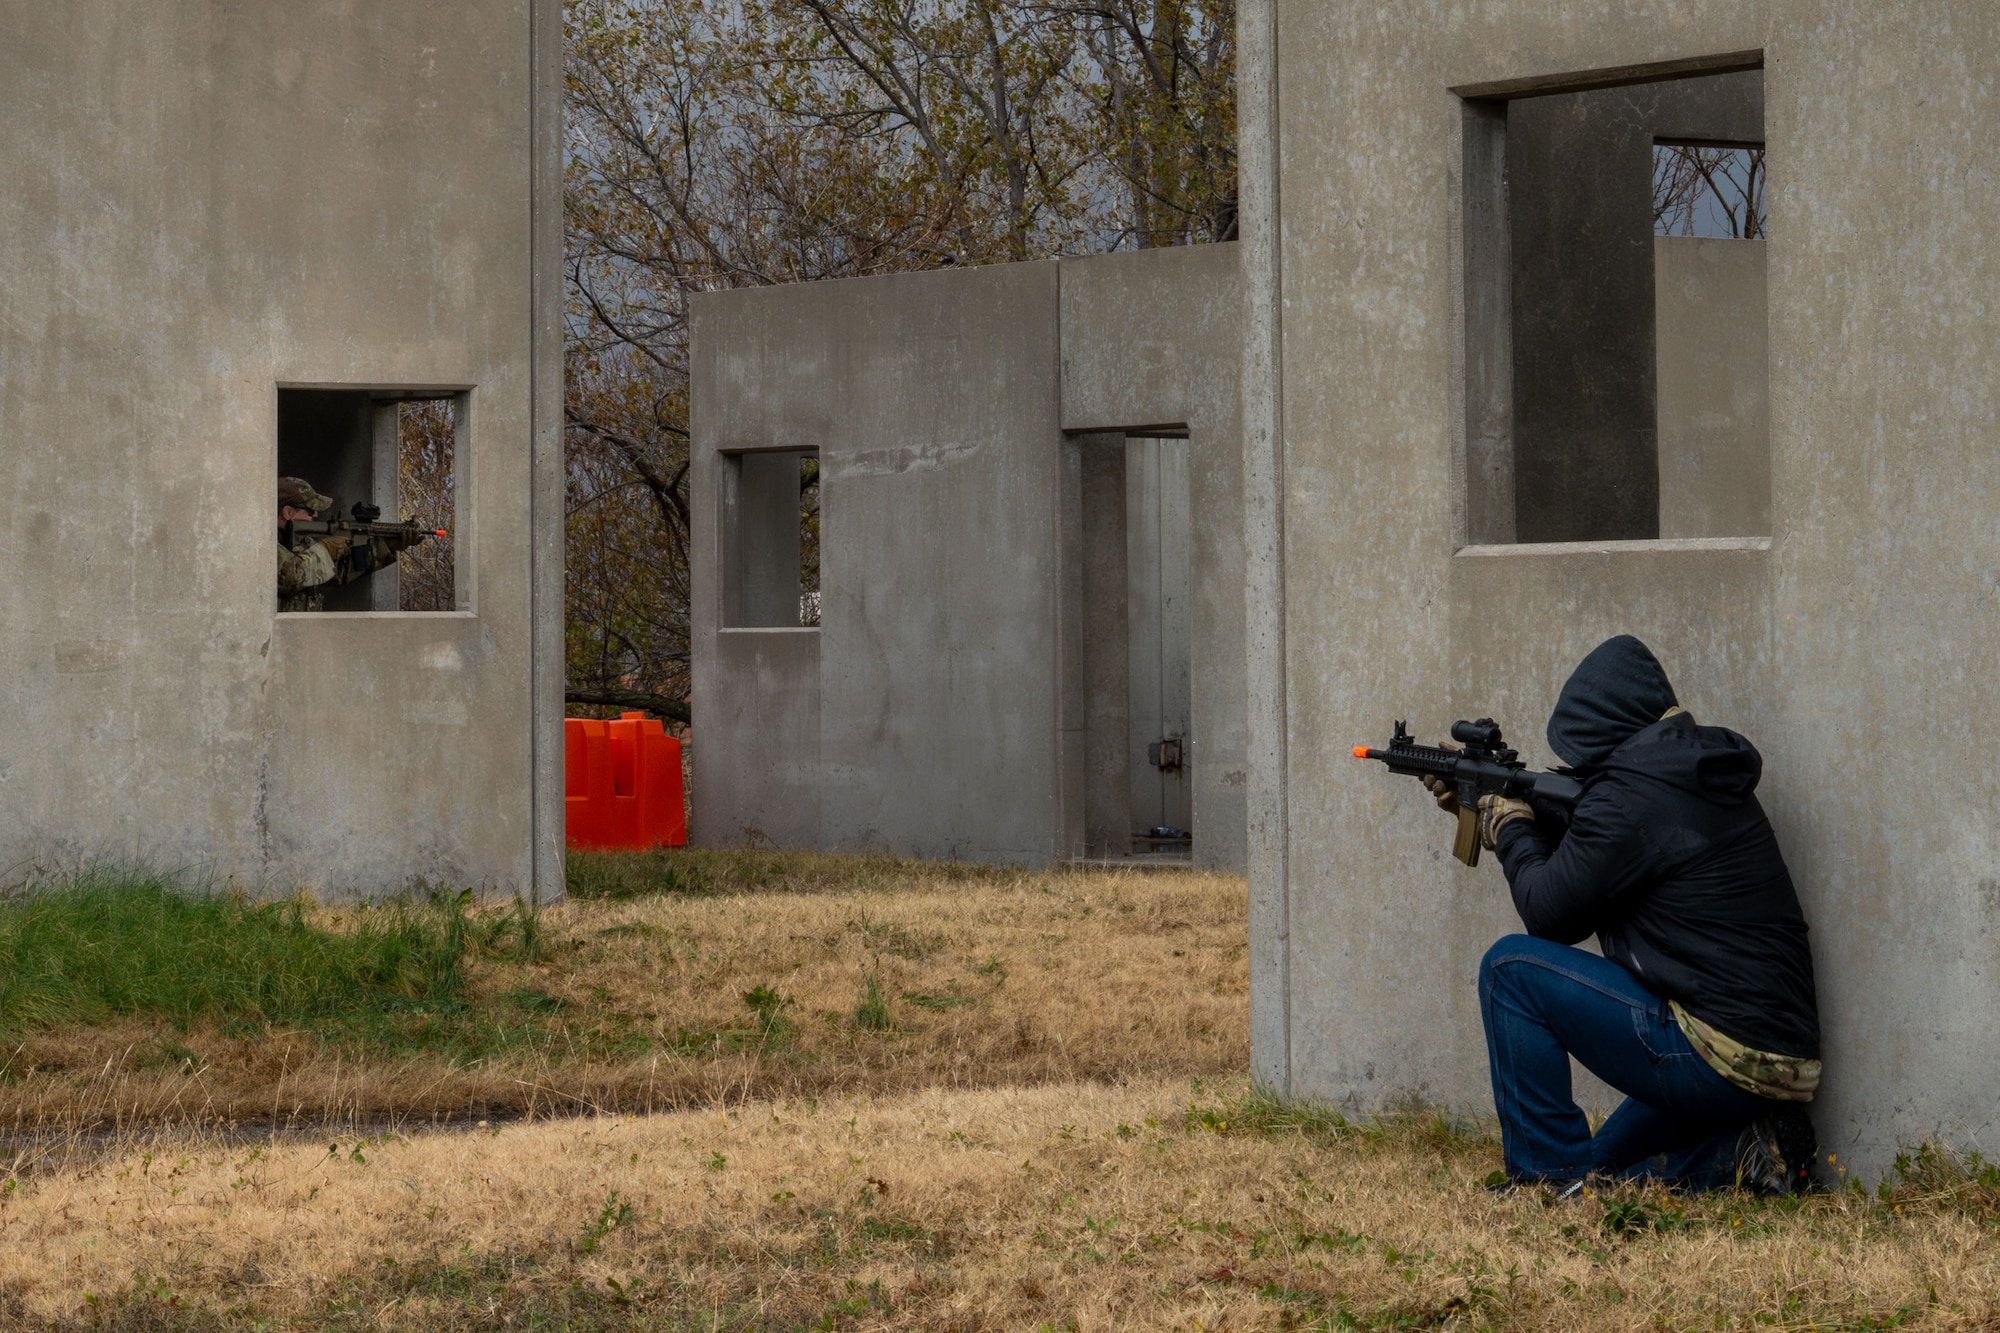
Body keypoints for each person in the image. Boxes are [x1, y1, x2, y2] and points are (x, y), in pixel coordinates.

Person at [1435, 635, 1820, 1196]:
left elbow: (1550, 914)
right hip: (1773, 1058)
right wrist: (1501, 805)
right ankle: (1746, 1155)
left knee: (1509, 971)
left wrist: (1511, 825)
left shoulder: (1629, 800)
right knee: (1600, 1169)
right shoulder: (1687, 773)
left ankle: (1543, 1182)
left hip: (1715, 1051)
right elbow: (1601, 848)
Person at [277, 476, 400, 612]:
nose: (315, 515)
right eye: (310, 510)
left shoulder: (297, 543)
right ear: (287, 512)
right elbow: (288, 578)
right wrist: (326, 550)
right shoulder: (261, 546)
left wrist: (386, 547)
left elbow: (337, 572)